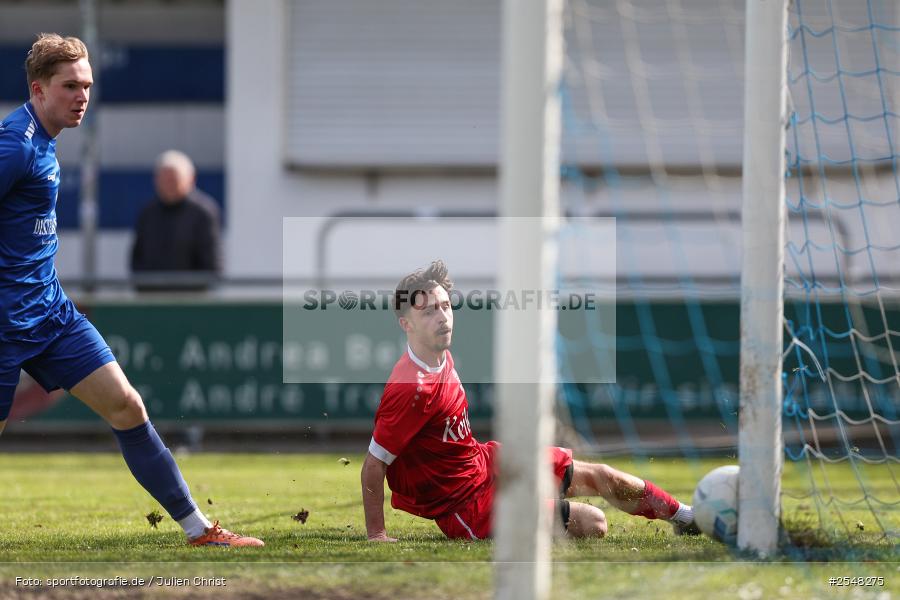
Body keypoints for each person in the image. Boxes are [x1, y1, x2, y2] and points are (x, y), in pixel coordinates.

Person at [0, 33, 261, 547]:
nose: (82, 96)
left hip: (50, 313)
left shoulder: (43, 139)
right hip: (5, 322)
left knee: (127, 406)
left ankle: (198, 530)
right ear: (38, 89)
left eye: (88, 85)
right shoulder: (15, 144)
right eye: (70, 85)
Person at [361, 260, 700, 541]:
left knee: (602, 475)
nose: (443, 317)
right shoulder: (410, 388)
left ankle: (687, 517)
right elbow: (374, 465)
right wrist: (377, 534)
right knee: (595, 523)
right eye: (429, 312)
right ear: (406, 324)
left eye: (446, 306)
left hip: (485, 463)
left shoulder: (439, 354)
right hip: (465, 507)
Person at [130, 150, 222, 289]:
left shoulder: (203, 213)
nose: (168, 185)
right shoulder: (147, 213)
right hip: (151, 299)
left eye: (173, 180)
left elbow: (212, 264)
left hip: (191, 301)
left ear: (191, 179)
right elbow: (137, 258)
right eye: (164, 180)